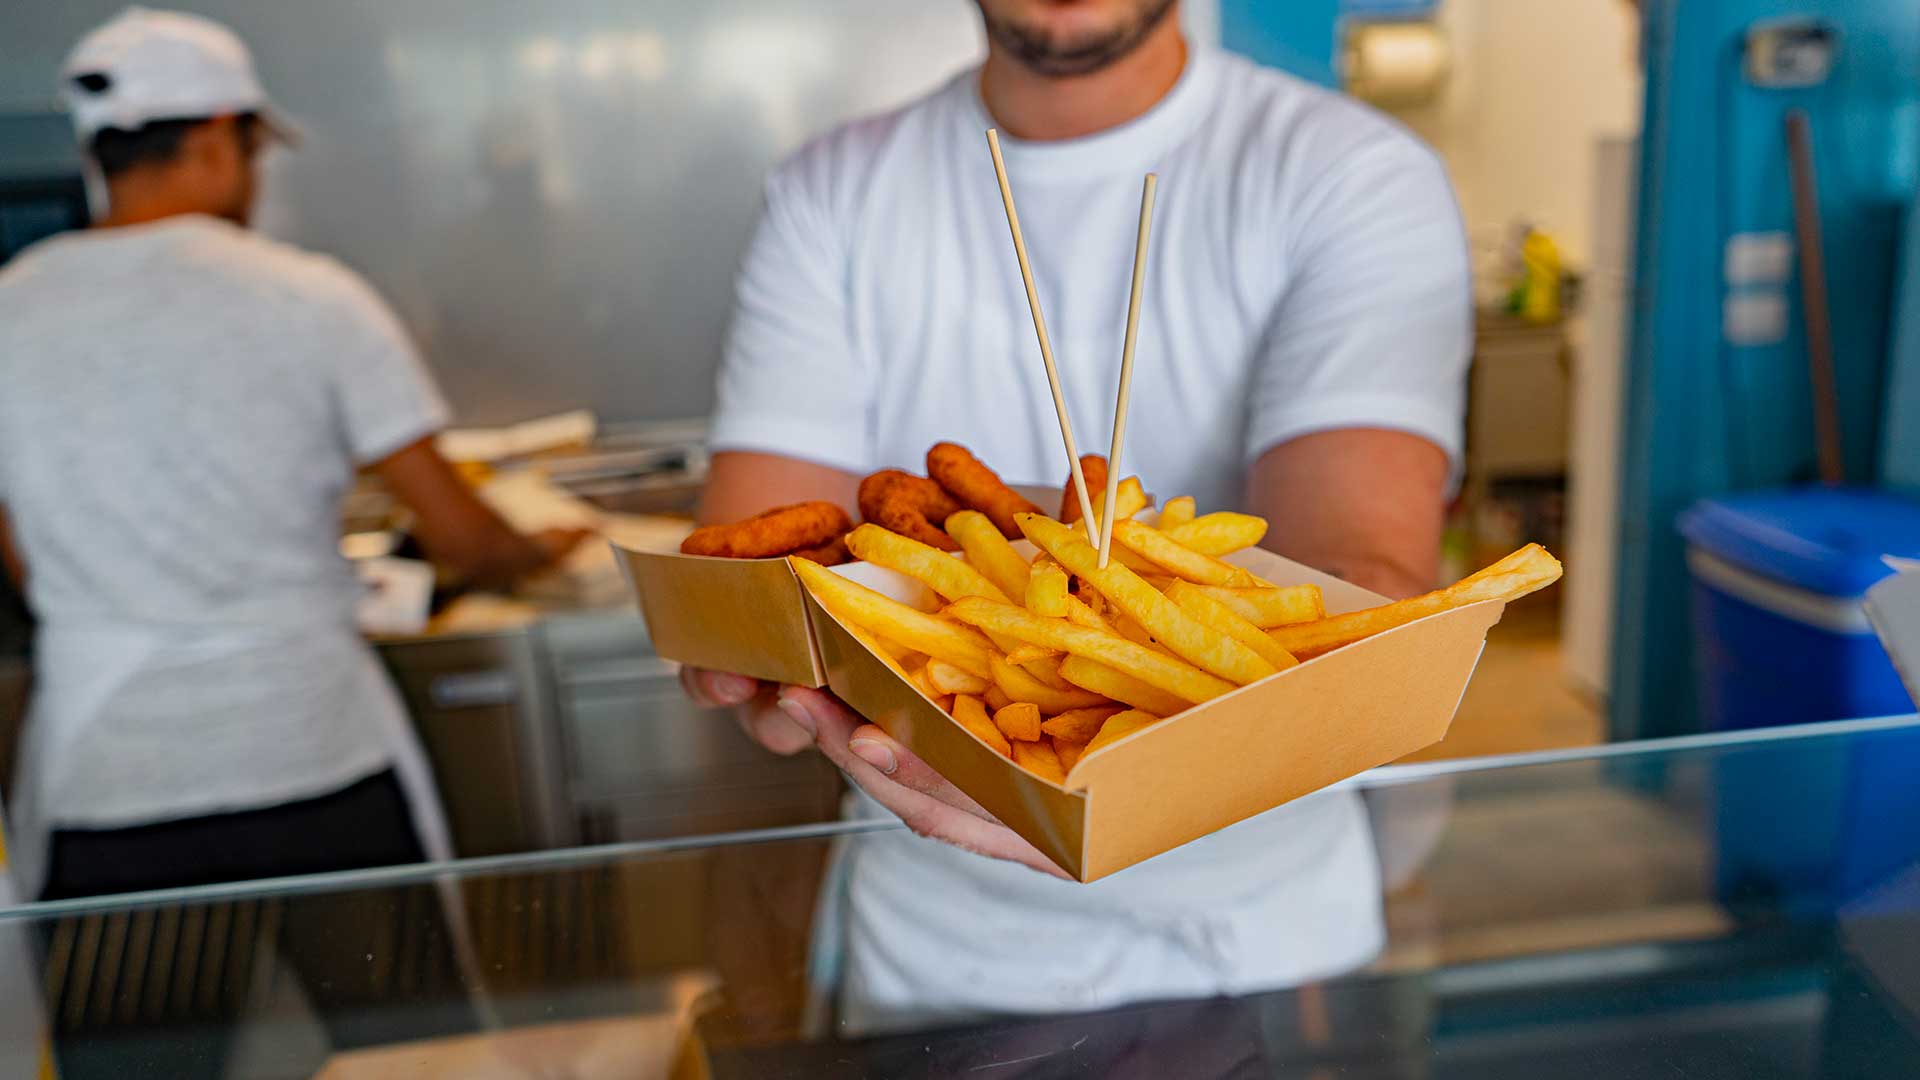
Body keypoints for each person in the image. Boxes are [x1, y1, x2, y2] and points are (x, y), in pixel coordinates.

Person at [684, 0, 1470, 1033]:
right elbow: (755, 560)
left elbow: (1361, 582)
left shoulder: (1352, 173)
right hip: (933, 945)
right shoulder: (830, 190)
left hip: (1269, 935)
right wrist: (762, 662)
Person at [0, 8, 588, 904]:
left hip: (108, 770)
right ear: (215, 139)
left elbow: (21, 551)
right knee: (391, 1002)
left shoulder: (11, 306)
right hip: (306, 747)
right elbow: (462, 537)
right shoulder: (311, 298)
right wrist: (542, 550)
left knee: (141, 1001)